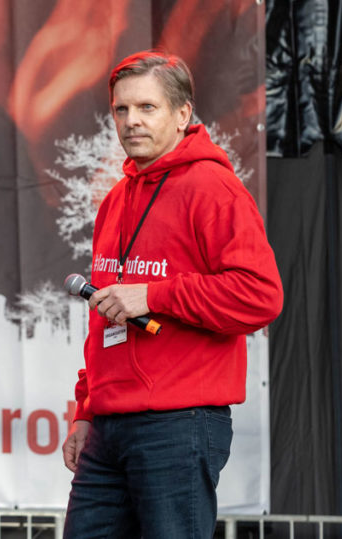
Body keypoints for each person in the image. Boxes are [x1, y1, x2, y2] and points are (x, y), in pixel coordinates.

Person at [61, 50, 284, 538]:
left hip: (178, 424)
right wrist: (85, 410)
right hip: (108, 427)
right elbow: (106, 319)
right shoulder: (116, 201)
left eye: (147, 108)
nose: (131, 121)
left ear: (183, 115)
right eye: (121, 109)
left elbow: (261, 295)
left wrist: (156, 296)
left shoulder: (213, 188)